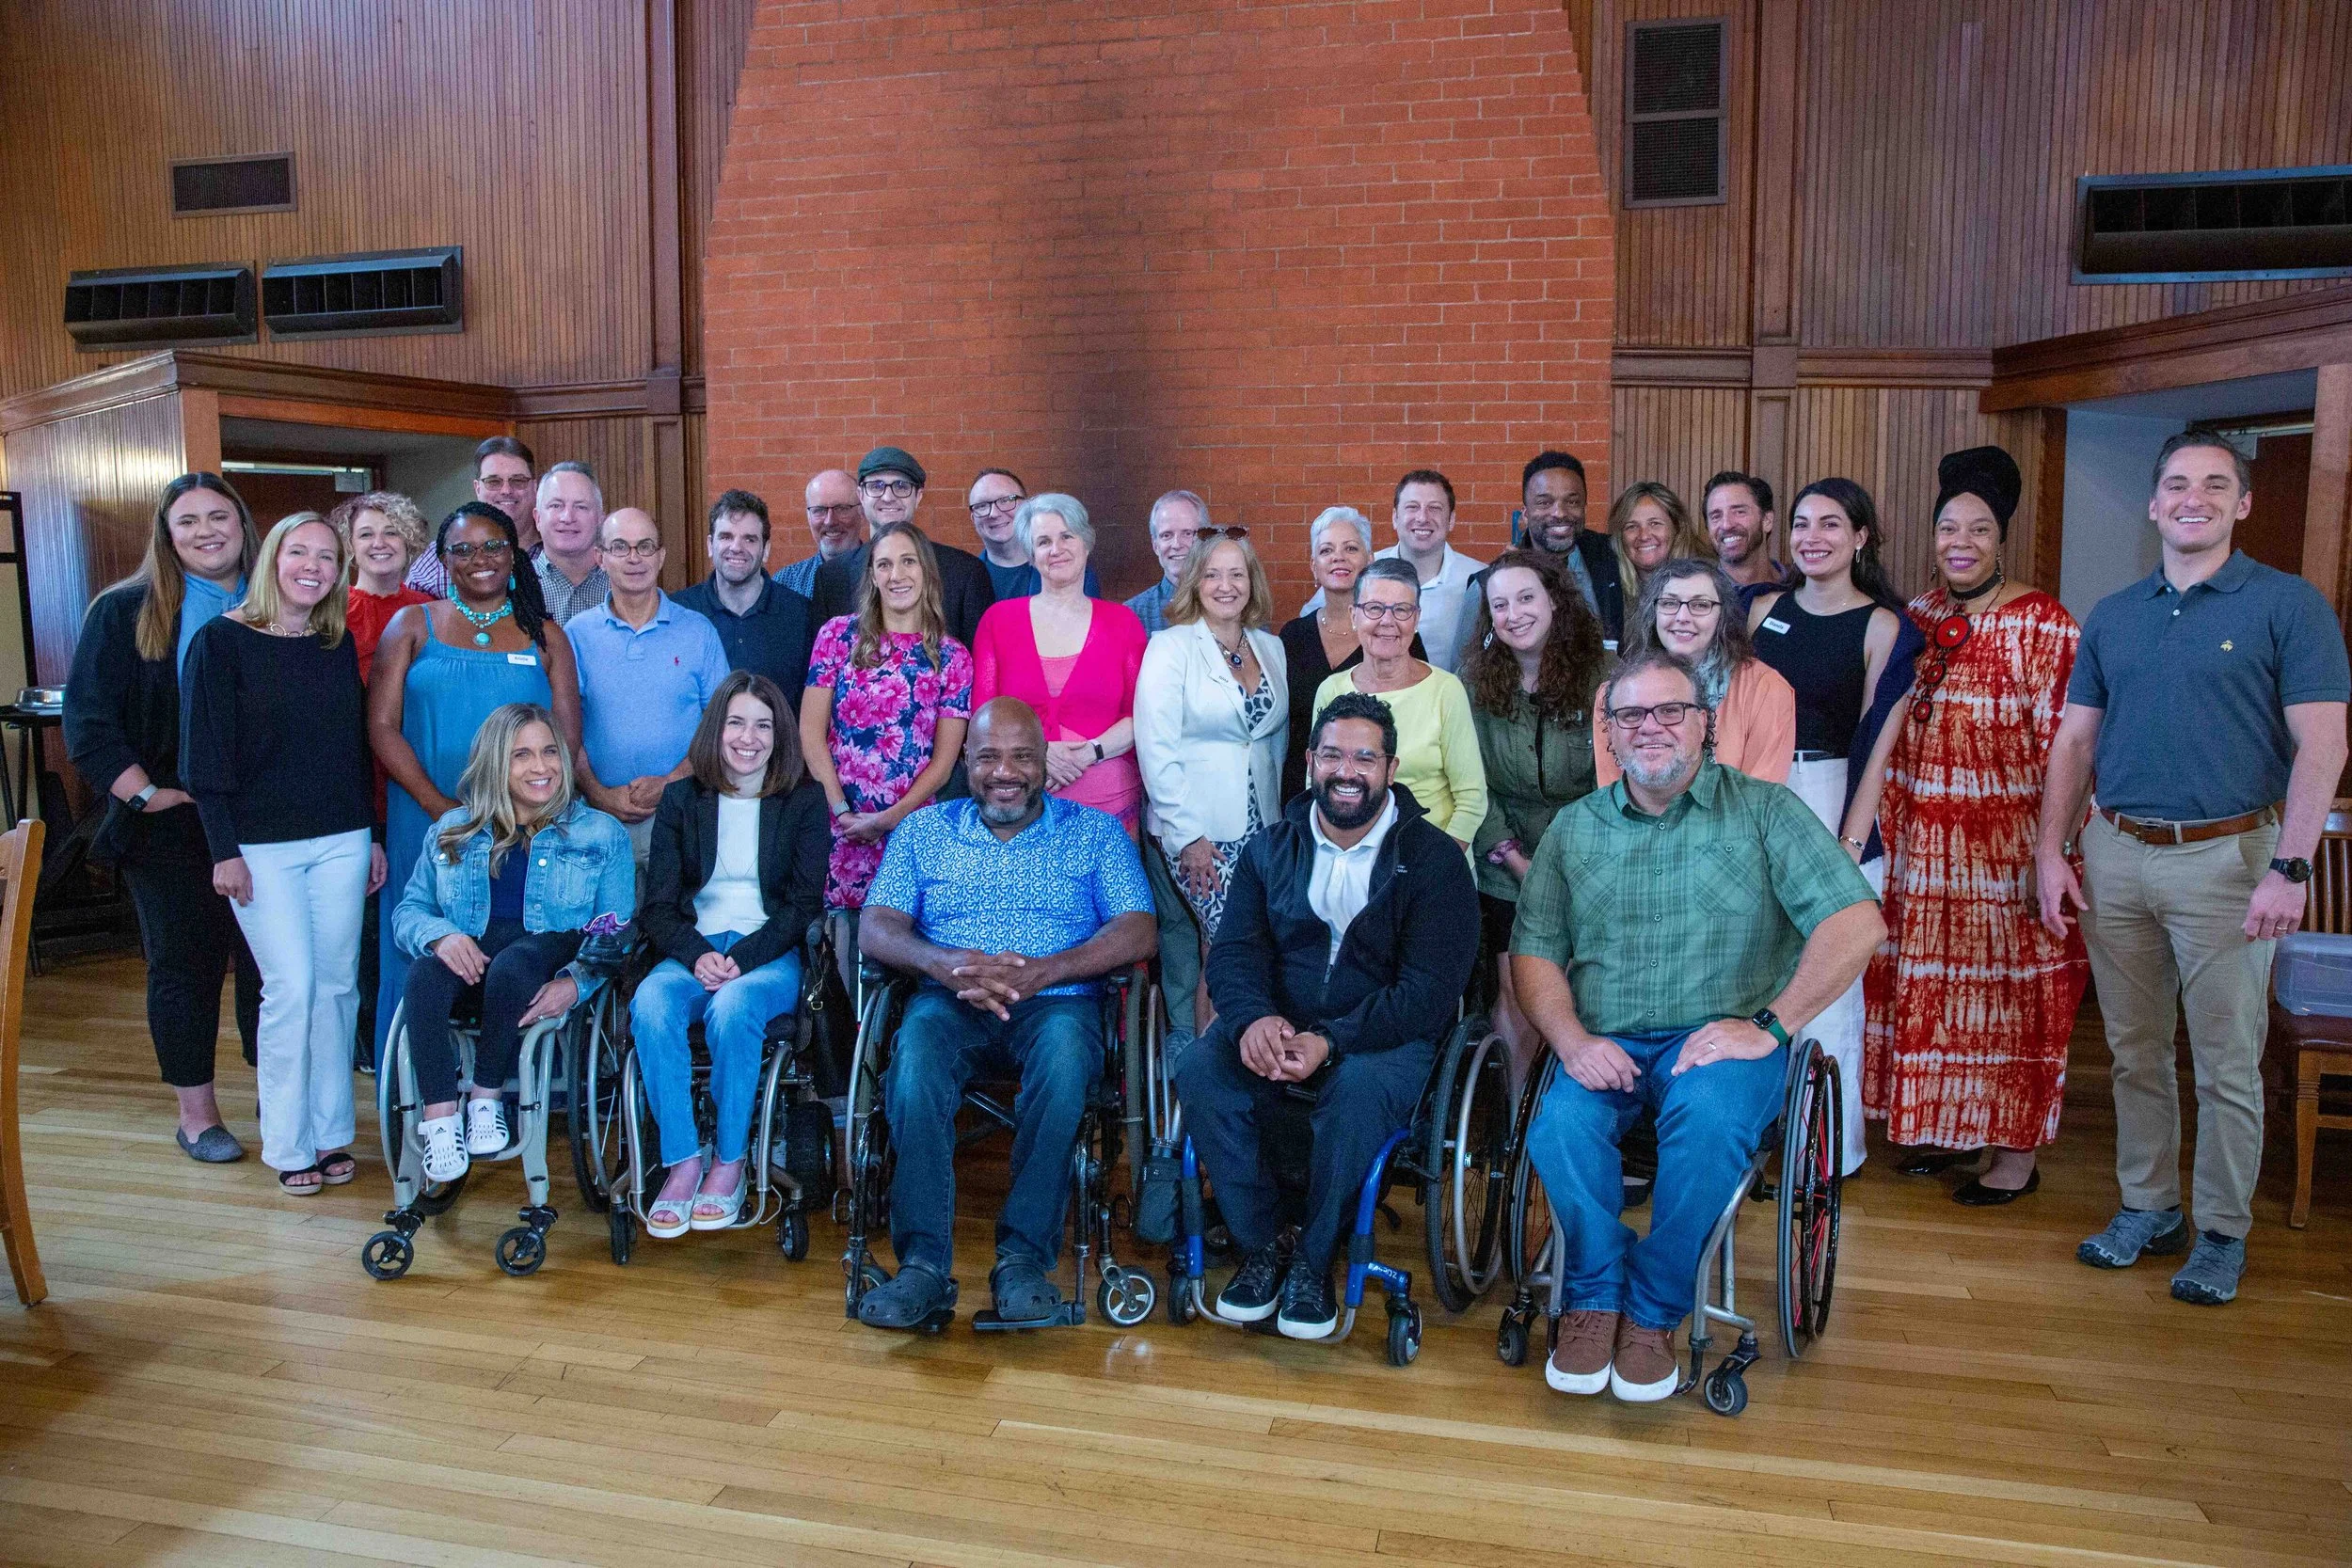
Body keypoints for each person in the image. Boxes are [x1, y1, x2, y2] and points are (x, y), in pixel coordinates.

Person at [1512, 649, 1883, 1402]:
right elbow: (1535, 954)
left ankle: (1651, 1309)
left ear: (1705, 723)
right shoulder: (1574, 830)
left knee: (1711, 1125)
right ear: (1608, 733)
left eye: (1670, 711)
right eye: (1630, 714)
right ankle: (1591, 1295)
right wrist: (1571, 1039)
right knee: (1556, 1129)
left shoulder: (1765, 812)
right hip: (1605, 1042)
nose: (1650, 727)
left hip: (1721, 1040)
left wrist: (1771, 1028)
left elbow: (1857, 924)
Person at [2037, 429, 2350, 1307]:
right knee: (2135, 1052)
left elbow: (2323, 742)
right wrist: (2050, 850)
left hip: (2232, 859)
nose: (2193, 498)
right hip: (2116, 852)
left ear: (2242, 505)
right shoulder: (2113, 614)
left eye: (2216, 485)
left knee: (2224, 1060)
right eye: (2177, 483)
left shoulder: (2289, 606)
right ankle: (2149, 1206)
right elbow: (2075, 739)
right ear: (2153, 503)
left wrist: (2292, 866)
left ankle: (2220, 1231)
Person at [1179, 692, 1480, 1338]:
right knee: (1201, 1064)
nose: (1348, 770)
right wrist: (1255, 1018)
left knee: (1358, 1088)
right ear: (1311, 761)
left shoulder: (1433, 862)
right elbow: (1233, 956)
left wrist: (1329, 1041)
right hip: (1281, 1026)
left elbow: (1428, 991)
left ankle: (1315, 1260)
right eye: (1334, 754)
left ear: (1391, 768)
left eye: (1365, 757)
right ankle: (1262, 1244)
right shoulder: (1272, 849)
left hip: (1383, 1038)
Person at [853, 698, 1158, 1329]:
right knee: (912, 1061)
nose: (1005, 771)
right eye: (989, 755)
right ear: (965, 760)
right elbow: (877, 926)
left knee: (1069, 1062)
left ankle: (1022, 1260)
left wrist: (1047, 969)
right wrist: (943, 962)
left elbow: (1139, 928)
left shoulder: (1093, 831)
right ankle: (923, 1268)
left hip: (1058, 1003)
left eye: (1022, 755)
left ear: (1045, 761)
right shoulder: (925, 830)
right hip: (950, 996)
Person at [1860, 447, 2085, 1206]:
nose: (1961, 541)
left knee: (2008, 1001)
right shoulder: (1916, 616)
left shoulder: (2044, 623)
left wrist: (2050, 849)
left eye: (1978, 529)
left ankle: (2015, 1157)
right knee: (1930, 992)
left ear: (2001, 538)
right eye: (1948, 527)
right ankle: (1942, 1127)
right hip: (1921, 848)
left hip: (2004, 849)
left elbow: (2069, 746)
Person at [181, 512, 386, 1194]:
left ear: (339, 571)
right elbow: (203, 757)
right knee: (291, 987)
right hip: (258, 847)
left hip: (341, 839)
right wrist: (223, 852)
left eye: (327, 557)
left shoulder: (332, 642)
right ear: (273, 558)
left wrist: (374, 837)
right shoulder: (222, 641)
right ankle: (288, 1142)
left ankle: (331, 1134)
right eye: (299, 552)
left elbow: (354, 749)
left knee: (336, 988)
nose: (313, 566)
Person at [64, 473, 263, 1163]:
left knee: (271, 968)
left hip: (266, 820)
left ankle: (282, 1101)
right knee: (185, 966)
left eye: (219, 516)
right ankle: (197, 1116)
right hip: (171, 822)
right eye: (188, 522)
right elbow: (88, 723)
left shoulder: (278, 598)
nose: (207, 531)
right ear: (166, 534)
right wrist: (145, 793)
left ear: (242, 523)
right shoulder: (124, 611)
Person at [369, 503, 585, 1058]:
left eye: (493, 546)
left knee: (512, 943)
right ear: (442, 561)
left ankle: (505, 1090)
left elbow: (566, 741)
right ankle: (422, 1096)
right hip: (429, 821)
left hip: (525, 830)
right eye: (462, 550)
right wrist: (442, 809)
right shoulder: (412, 625)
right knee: (425, 951)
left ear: (514, 554)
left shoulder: (547, 636)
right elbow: (382, 728)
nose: (479, 559)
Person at [1747, 477, 1920, 1173]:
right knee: (1755, 977)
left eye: (1829, 524)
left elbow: (1879, 742)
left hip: (1831, 794)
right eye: (1800, 523)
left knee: (1829, 993)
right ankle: (1755, 1138)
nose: (1811, 536)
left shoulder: (1883, 626)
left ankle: (1825, 1157)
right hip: (1756, 789)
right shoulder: (1757, 609)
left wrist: (1850, 844)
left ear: (1860, 537)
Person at [390, 705, 635, 1180]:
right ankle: (440, 1121)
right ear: (494, 764)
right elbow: (409, 912)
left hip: (545, 959)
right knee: (423, 973)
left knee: (514, 962)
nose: (540, 767)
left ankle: (485, 1101)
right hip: (475, 962)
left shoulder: (600, 833)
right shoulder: (451, 831)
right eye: (521, 755)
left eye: (549, 752)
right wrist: (440, 937)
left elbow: (617, 931)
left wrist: (576, 984)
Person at [629, 673, 829, 1235]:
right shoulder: (681, 800)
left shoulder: (804, 801)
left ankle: (730, 1161)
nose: (749, 737)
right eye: (737, 722)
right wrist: (698, 956)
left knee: (735, 1007)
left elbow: (802, 904)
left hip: (768, 953)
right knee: (651, 1003)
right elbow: (660, 906)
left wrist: (741, 957)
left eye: (763, 725)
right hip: (692, 950)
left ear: (779, 735)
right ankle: (683, 1160)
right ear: (717, 729)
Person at [1461, 549, 1608, 1083]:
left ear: (1555, 602)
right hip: (1505, 861)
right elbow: (1472, 782)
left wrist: (1561, 869)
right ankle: (1513, 1123)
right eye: (1499, 605)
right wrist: (1518, 861)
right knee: (1517, 988)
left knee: (1576, 994)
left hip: (1590, 863)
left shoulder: (1605, 678)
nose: (1514, 614)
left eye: (1526, 598)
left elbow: (1612, 786)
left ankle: (1571, 1109)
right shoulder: (1473, 684)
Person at [1134, 530, 1288, 1030]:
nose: (1226, 585)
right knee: (1228, 945)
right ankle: (1211, 1070)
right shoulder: (1170, 647)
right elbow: (1155, 746)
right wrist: (1187, 836)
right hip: (1199, 831)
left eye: (1237, 573)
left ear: (1252, 582)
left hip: (1261, 827)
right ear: (1195, 583)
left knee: (1241, 946)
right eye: (1213, 574)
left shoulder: (1271, 648)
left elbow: (1271, 744)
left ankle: (1227, 1064)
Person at [800, 522, 974, 912]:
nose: (896, 575)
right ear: (872, 576)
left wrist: (890, 818)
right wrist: (842, 812)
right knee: (840, 945)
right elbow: (811, 734)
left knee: (908, 942)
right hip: (838, 824)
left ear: (926, 571)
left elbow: (945, 763)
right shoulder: (837, 636)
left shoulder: (952, 657)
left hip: (914, 826)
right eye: (884, 565)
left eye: (907, 561)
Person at [970, 494, 1149, 832]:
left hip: (1109, 803)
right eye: (1043, 541)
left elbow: (1140, 715)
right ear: (1031, 555)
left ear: (1086, 542)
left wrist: (1089, 753)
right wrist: (1040, 753)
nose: (1057, 549)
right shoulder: (998, 622)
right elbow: (985, 714)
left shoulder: (1123, 623)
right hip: (1024, 802)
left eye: (1067, 536)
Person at [566, 508, 732, 864]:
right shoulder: (576, 635)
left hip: (683, 817)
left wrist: (670, 782)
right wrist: (598, 793)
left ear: (660, 557)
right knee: (608, 921)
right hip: (598, 820)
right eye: (620, 547)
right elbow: (565, 727)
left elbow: (721, 724)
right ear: (600, 558)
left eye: (645, 546)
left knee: (673, 918)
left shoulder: (698, 631)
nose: (634, 558)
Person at [1311, 559, 1486, 850]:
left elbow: (1472, 799)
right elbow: (1316, 787)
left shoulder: (1446, 690)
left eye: (1402, 610)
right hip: (1351, 862)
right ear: (1354, 616)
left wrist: (1435, 867)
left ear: (1416, 619)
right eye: (1374, 608)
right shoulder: (1331, 690)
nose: (1387, 621)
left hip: (1435, 861)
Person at [1276, 507, 1427, 804]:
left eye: (1351, 548)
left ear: (1370, 560)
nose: (1338, 557)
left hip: (1377, 795)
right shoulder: (1292, 637)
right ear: (1314, 566)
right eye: (1326, 550)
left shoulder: (1396, 636)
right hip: (1303, 793)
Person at [1598, 559, 1795, 786]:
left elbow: (1760, 798)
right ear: (1653, 612)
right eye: (1669, 603)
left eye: (1700, 605)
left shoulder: (1765, 688)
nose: (1682, 617)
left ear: (1723, 616)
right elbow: (1612, 796)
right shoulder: (1614, 695)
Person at [811, 446, 997, 647]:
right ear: (861, 496)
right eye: (876, 486)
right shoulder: (831, 577)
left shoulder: (965, 572)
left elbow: (980, 664)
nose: (888, 496)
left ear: (918, 496)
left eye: (901, 486)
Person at [1301, 470, 1485, 673]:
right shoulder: (1364, 569)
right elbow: (1314, 619)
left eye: (1435, 508)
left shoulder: (1478, 580)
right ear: (1395, 518)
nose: (1422, 517)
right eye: (1412, 507)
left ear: (1451, 520)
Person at [672, 488, 817, 710]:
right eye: (726, 537)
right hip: (700, 746)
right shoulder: (679, 612)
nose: (736, 548)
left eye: (749, 539)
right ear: (711, 545)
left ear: (765, 549)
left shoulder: (802, 616)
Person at [407, 436, 538, 598]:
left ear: (535, 487)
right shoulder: (437, 558)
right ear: (477, 488)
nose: (506, 490)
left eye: (518, 480)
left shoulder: (556, 550)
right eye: (493, 481)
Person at [1515, 451, 1622, 643]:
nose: (1559, 513)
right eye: (1544, 503)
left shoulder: (1616, 558)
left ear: (1584, 508)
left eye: (1572, 502)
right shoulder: (1492, 583)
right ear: (1525, 514)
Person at [333, 492, 434, 684]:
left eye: (391, 533)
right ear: (349, 544)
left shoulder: (428, 609)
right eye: (366, 535)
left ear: (408, 541)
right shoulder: (333, 608)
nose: (379, 544)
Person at [966, 467, 1101, 599]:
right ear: (973, 518)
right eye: (982, 506)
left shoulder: (1078, 575)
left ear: (1026, 506)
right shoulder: (963, 580)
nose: (994, 513)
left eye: (1006, 500)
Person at [1604, 482, 1711, 612]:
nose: (1644, 536)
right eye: (1631, 526)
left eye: (1655, 523)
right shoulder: (1606, 593)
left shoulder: (1708, 585)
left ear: (1677, 527)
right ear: (1619, 536)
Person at [532, 460, 611, 626]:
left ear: (600, 520)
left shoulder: (620, 581)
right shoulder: (512, 586)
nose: (567, 517)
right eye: (556, 505)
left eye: (581, 507)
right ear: (537, 518)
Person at [1125, 489, 1207, 633]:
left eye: (1187, 533)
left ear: (1206, 538)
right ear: (1155, 545)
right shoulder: (1132, 615)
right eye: (1166, 535)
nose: (1176, 544)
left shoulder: (1232, 603)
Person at [776, 468, 866, 598]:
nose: (830, 521)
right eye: (819, 510)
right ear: (808, 516)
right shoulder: (786, 583)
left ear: (862, 512)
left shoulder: (882, 577)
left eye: (841, 509)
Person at [1702, 470, 1781, 615]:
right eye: (1716, 516)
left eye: (1739, 512)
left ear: (1767, 521)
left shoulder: (1801, 587)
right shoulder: (1699, 597)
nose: (1726, 525)